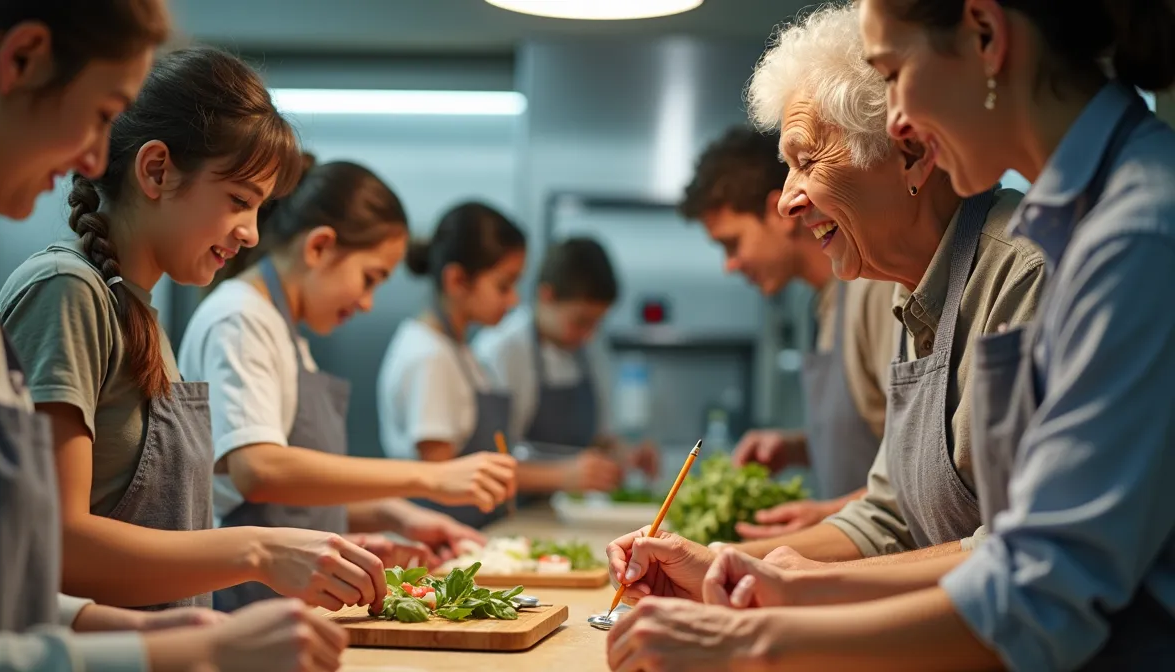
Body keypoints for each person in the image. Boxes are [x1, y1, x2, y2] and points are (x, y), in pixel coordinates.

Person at [606, 0, 1175, 669]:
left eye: (894, 71)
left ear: (986, 36)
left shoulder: (1125, 237)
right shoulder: (946, 278)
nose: (900, 124)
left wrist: (760, 638)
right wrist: (759, 576)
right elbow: (905, 519)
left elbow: (1039, 585)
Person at [0, 2, 345, 670]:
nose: (94, 156)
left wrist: (156, 638)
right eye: (99, 115)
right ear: (21, 60)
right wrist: (196, 628)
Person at [0, 46, 386, 615]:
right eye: (238, 201)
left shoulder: (140, 314)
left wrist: (311, 555)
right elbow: (56, 542)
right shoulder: (67, 290)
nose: (251, 234)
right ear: (156, 170)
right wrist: (260, 551)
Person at [178, 157, 515, 611]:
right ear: (319, 247)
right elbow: (259, 472)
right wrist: (432, 477)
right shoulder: (241, 318)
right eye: (369, 278)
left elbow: (290, 501)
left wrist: (396, 513)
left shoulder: (284, 331)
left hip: (289, 602)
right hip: (244, 605)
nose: (367, 302)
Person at [679, 126, 897, 537]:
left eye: (732, 244)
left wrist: (828, 516)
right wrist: (798, 446)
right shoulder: (816, 304)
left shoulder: (876, 290)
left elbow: (922, 471)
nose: (730, 265)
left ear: (776, 211)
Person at [377, 201, 526, 528]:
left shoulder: (458, 349)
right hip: (441, 544)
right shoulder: (429, 355)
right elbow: (438, 471)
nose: (514, 300)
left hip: (471, 537)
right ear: (457, 280)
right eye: (504, 285)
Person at [473, 237, 658, 499]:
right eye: (581, 321)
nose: (589, 334)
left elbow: (598, 439)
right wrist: (562, 476)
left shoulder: (589, 349)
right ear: (546, 296)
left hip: (570, 511)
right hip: (514, 512)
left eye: (597, 323)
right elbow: (483, 463)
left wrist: (625, 454)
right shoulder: (501, 351)